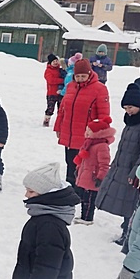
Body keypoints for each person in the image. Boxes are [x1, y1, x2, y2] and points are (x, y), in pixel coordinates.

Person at [97, 84, 140, 246]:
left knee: (132, 204)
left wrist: (136, 171)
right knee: (127, 204)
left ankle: (130, 235)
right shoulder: (132, 121)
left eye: (130, 107)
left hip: (136, 172)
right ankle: (126, 231)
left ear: (138, 105)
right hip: (123, 167)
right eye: (125, 108)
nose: (128, 111)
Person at [54, 58, 110, 186]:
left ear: (89, 74)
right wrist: (58, 127)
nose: (80, 79)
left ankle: (81, 190)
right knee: (70, 162)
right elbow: (62, 110)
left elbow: (104, 114)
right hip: (69, 132)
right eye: (77, 76)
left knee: (84, 165)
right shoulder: (70, 87)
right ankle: (70, 186)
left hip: (87, 136)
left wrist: (100, 134)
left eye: (83, 76)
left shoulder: (99, 89)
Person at [72, 117, 115, 225]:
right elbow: (83, 159)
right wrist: (78, 169)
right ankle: (84, 216)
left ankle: (87, 218)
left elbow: (104, 164)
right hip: (86, 174)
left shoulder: (102, 146)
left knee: (89, 200)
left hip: (93, 177)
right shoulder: (88, 143)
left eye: (89, 130)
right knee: (84, 198)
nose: (86, 132)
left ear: (97, 133)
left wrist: (100, 177)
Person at [43, 54, 65, 127]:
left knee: (61, 109)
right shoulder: (48, 71)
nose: (55, 62)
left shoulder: (60, 70)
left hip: (61, 93)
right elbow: (51, 81)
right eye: (53, 61)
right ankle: (46, 120)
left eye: (56, 61)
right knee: (50, 108)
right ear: (50, 63)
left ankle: (60, 122)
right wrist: (62, 81)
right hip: (51, 93)